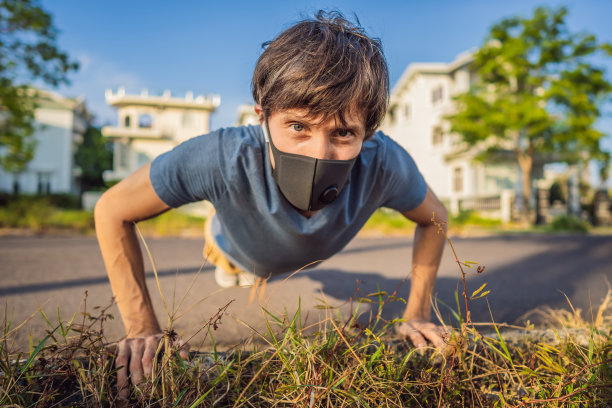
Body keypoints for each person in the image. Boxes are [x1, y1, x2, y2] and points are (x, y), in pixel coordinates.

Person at [94, 10, 448, 400]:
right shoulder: (221, 157)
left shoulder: (385, 163)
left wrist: (416, 314)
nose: (320, 153)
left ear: (370, 132)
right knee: (232, 266)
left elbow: (435, 218)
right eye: (298, 127)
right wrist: (141, 327)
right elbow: (112, 209)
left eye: (343, 132)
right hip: (232, 246)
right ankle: (222, 226)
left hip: (305, 251)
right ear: (263, 117)